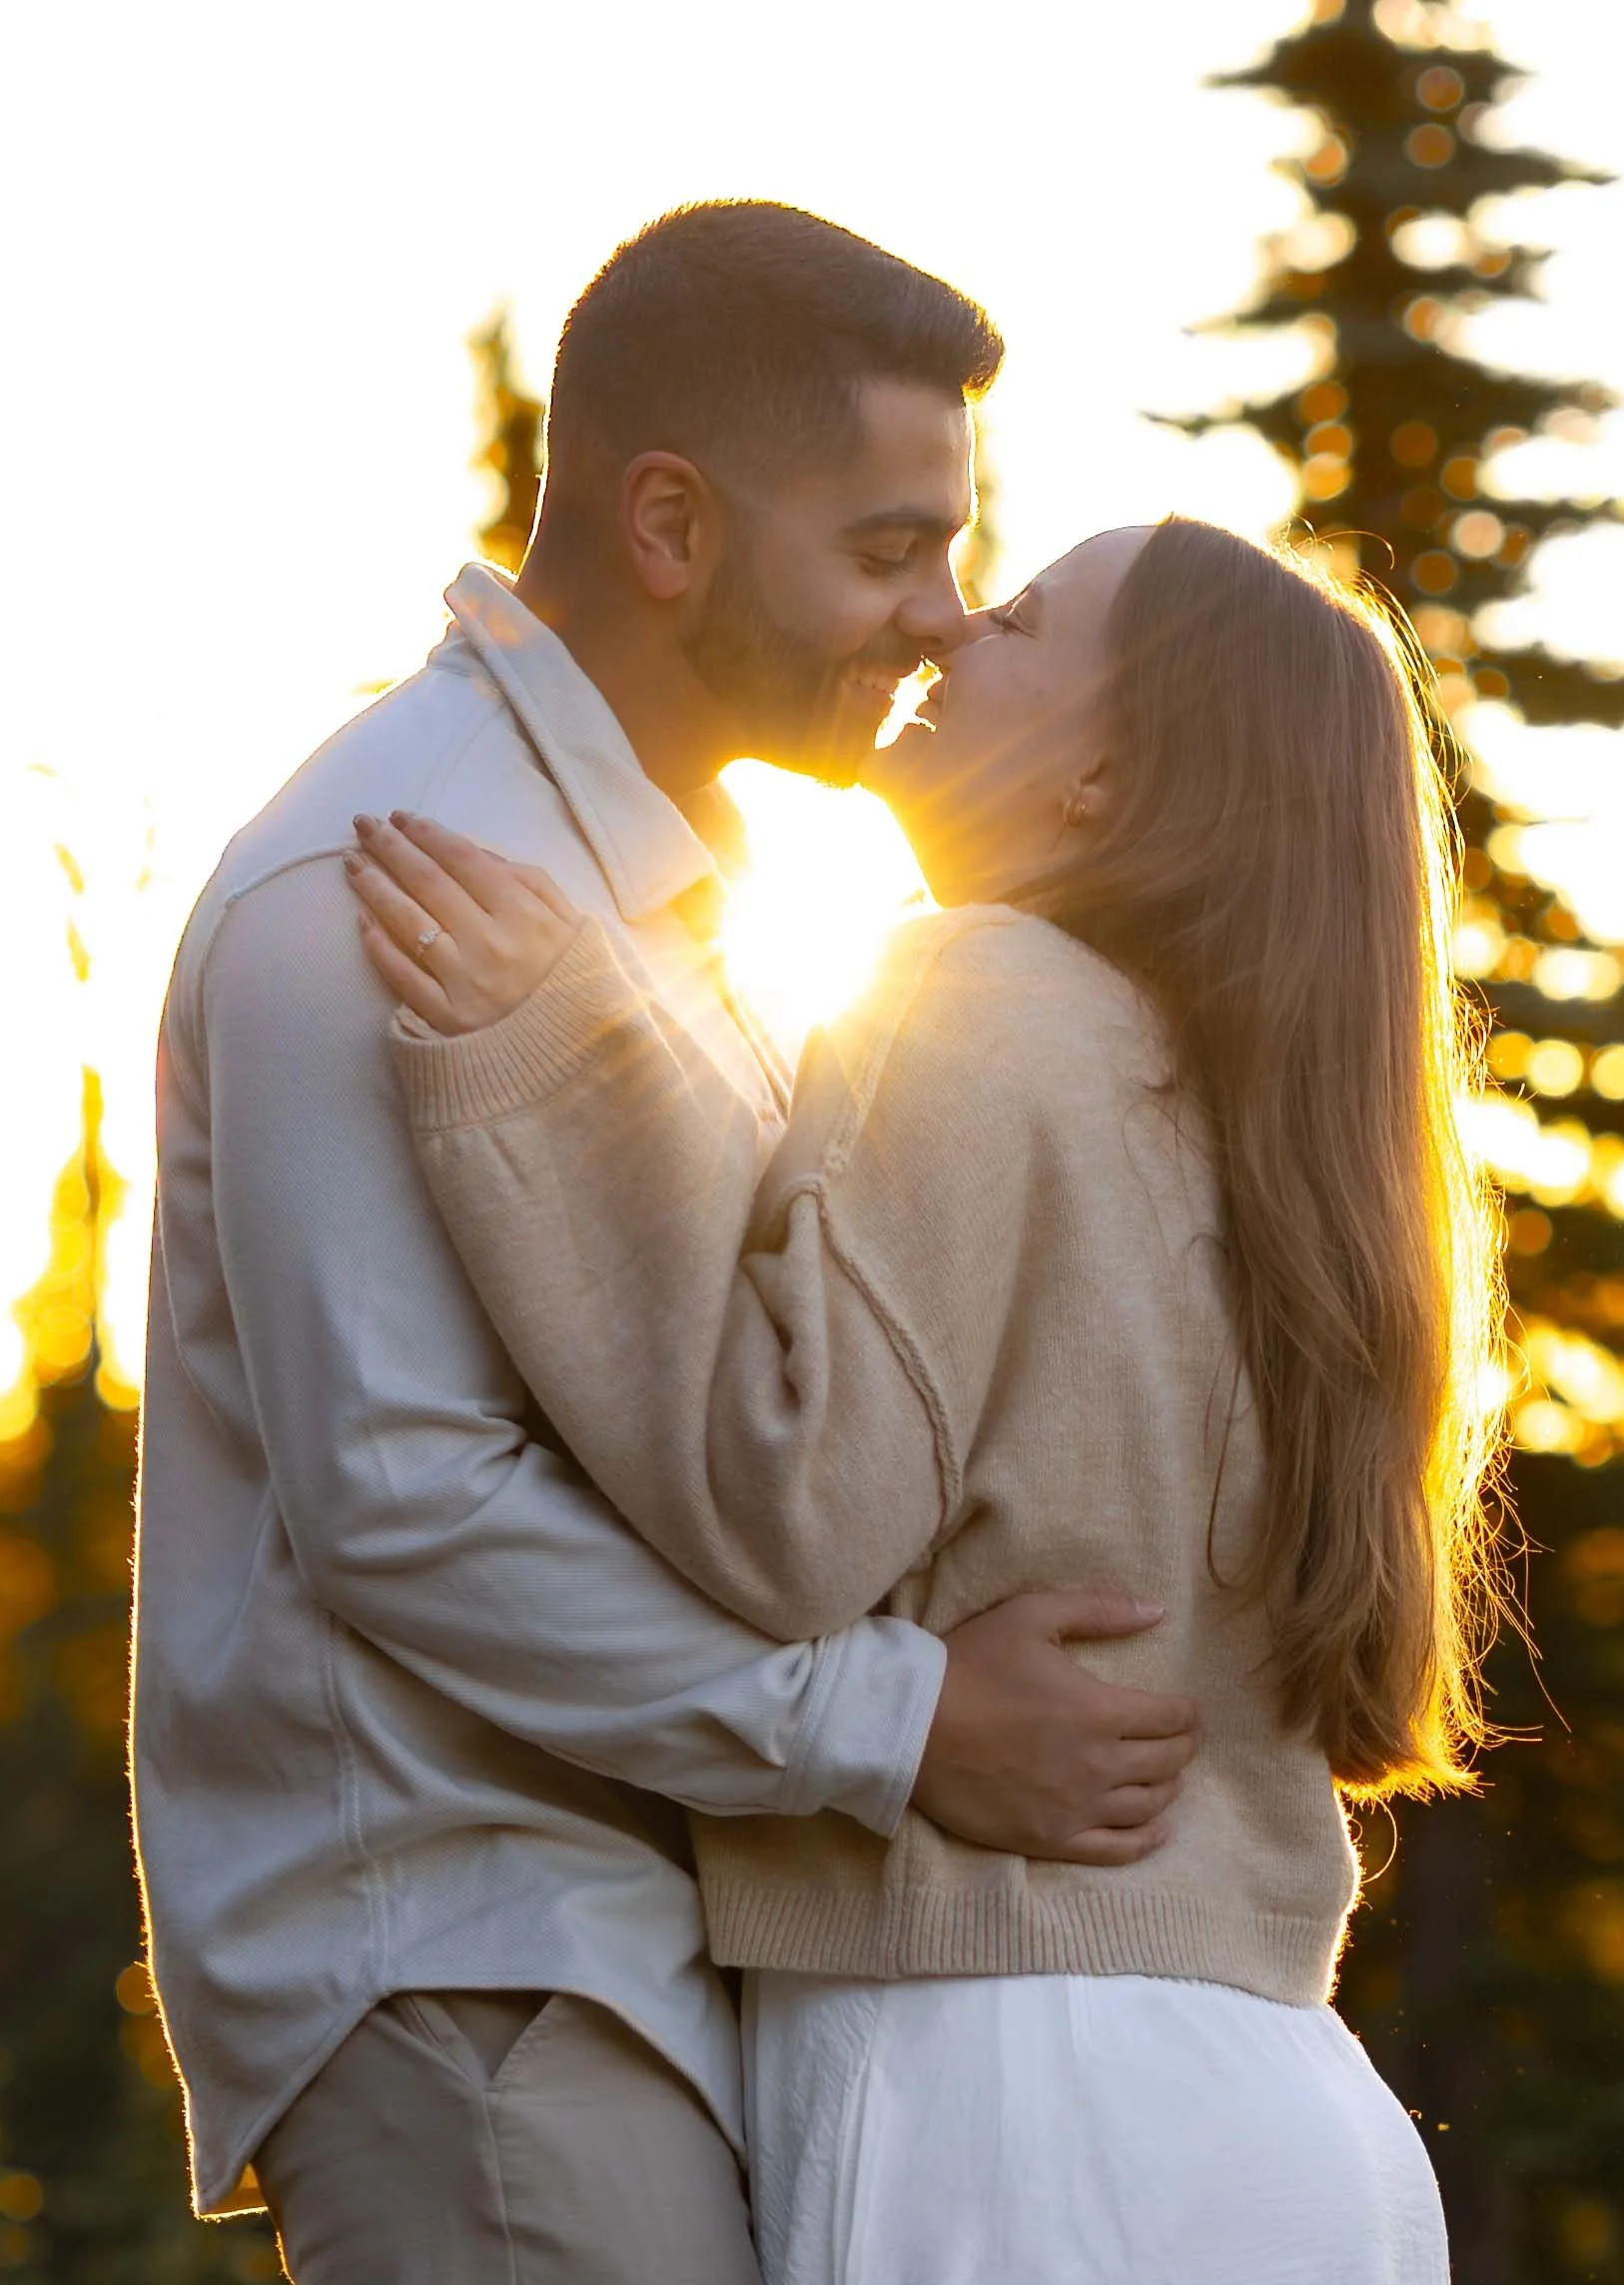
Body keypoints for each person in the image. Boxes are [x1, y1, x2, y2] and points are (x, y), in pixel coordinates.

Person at [132, 204, 1199, 2285]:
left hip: (628, 1955)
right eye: (889, 549)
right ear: (672, 524)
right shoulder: (384, 881)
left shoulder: (654, 894)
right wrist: (904, 1722)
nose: (936, 621)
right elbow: (403, 1499)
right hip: (479, 1976)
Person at [348, 514, 1510, 2283]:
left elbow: (786, 1502)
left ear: (1111, 775)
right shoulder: (1288, 1148)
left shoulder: (983, 990)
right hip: (1291, 2120)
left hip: (1021, 2097)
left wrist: (562, 1071)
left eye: (1029, 618)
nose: (958, 628)